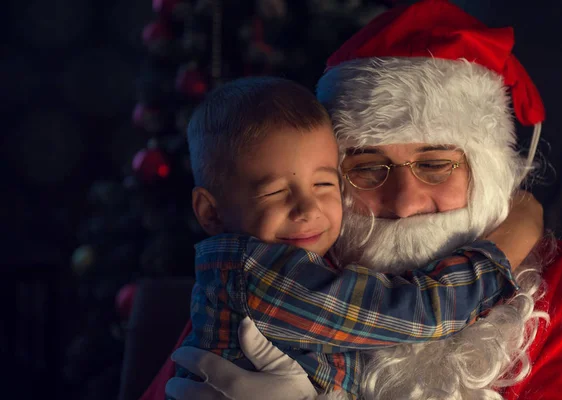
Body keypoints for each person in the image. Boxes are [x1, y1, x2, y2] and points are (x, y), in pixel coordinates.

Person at [145, 1, 562, 399]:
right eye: (365, 168)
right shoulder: (289, 264)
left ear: (487, 171)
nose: (402, 203)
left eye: (435, 164)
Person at [169, 76, 541, 399]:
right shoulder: (266, 274)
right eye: (367, 167)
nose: (307, 209)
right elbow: (420, 311)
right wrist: (505, 247)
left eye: (324, 184)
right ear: (210, 212)